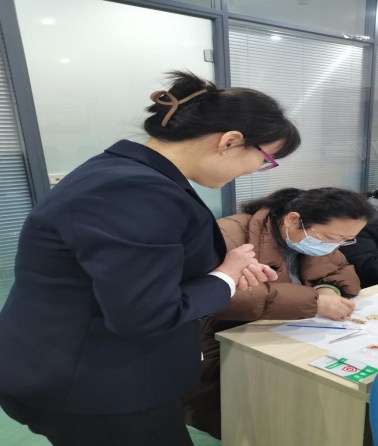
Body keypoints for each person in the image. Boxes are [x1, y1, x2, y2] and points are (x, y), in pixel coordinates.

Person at [0, 71, 301, 446]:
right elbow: (144, 314)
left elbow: (128, 269)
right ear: (230, 141)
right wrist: (223, 277)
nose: (257, 170)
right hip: (94, 387)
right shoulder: (135, 188)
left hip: (82, 367)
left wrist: (219, 273)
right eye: (267, 158)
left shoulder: (127, 171)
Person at [184, 187, 374, 438]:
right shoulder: (227, 234)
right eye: (332, 237)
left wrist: (328, 289)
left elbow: (340, 271)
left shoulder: (318, 237)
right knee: (256, 420)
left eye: (346, 240)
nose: (335, 245)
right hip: (226, 336)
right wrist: (313, 302)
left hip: (293, 331)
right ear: (293, 219)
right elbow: (219, 295)